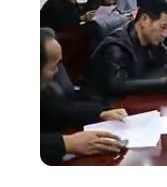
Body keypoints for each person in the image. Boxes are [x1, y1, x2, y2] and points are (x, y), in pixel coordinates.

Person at [40, 27, 127, 163]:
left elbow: (61, 109)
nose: (57, 72)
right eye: (53, 66)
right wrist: (67, 143)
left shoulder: (45, 89)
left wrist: (101, 113)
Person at [85, 0, 167, 97]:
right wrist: (166, 81)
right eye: (163, 27)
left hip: (137, 101)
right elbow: (119, 85)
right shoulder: (116, 46)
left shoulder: (151, 39)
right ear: (144, 20)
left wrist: (157, 79)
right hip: (108, 106)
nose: (164, 34)